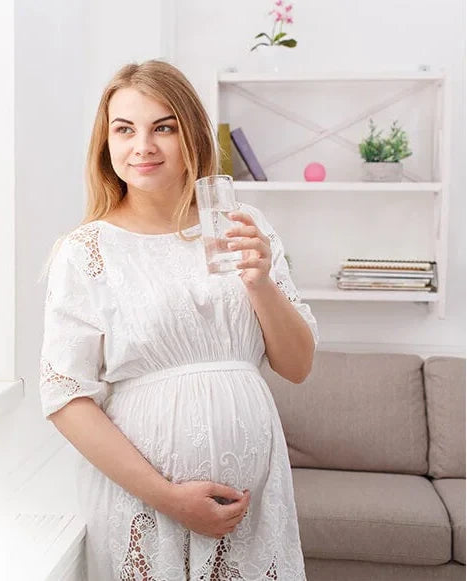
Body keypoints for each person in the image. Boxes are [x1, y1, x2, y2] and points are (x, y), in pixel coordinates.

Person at [38, 59, 318, 580]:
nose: (142, 145)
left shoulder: (244, 226)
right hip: (147, 503)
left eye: (162, 127)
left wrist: (259, 283)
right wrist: (170, 498)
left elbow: (298, 365)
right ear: (106, 142)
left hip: (255, 501)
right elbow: (65, 397)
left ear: (190, 133)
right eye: (124, 129)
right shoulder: (87, 251)